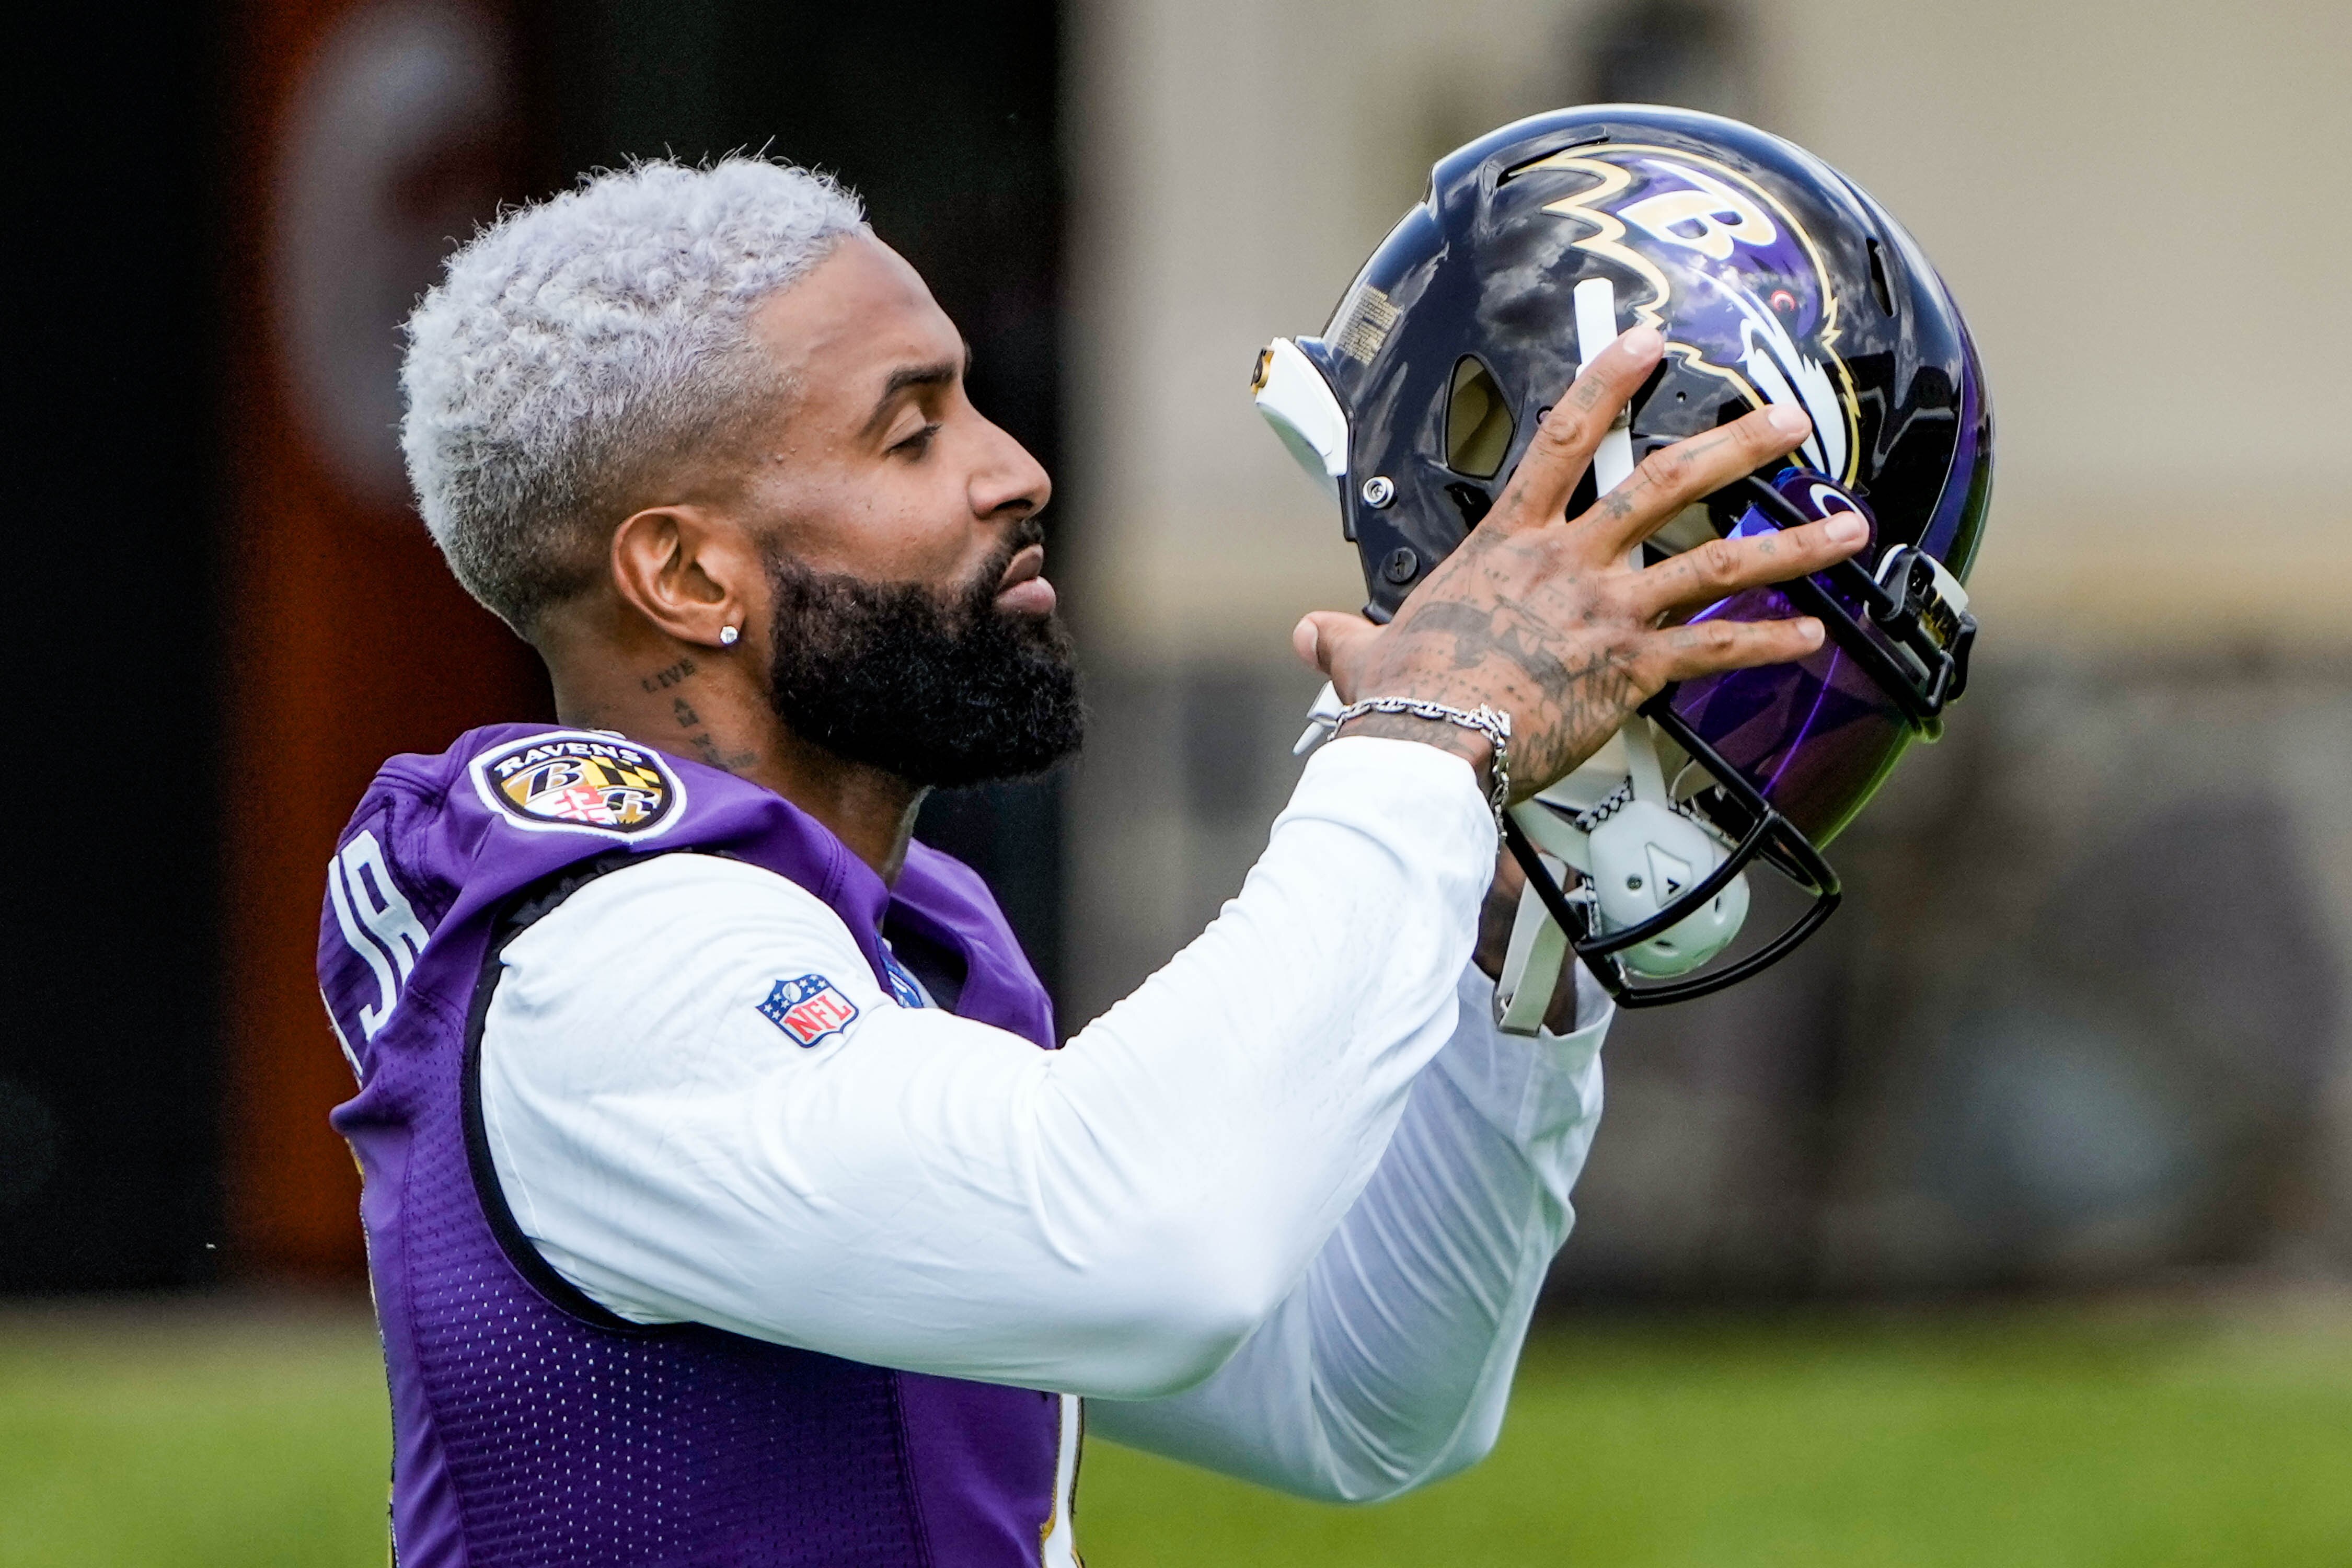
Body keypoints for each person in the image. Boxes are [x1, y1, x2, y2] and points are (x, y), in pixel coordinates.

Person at [318, 157, 1864, 1567]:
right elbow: (1152, 1243)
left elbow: (1357, 1402)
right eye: (912, 429)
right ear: (682, 570)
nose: (1013, 469)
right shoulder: (609, 965)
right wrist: (1424, 734)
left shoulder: (889, 931)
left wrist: (1495, 917)